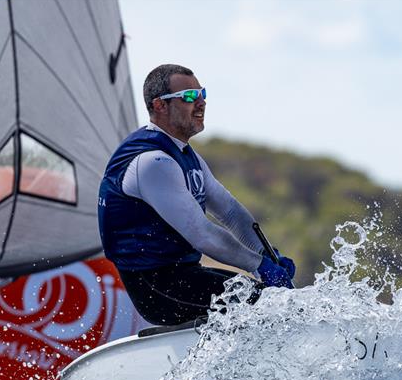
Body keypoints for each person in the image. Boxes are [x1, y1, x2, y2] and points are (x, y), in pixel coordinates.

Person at [98, 64, 294, 326]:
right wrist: (259, 265)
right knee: (265, 304)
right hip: (156, 289)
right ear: (159, 106)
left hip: (186, 274)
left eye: (202, 94)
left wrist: (267, 253)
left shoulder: (187, 156)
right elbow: (203, 234)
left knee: (271, 298)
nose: (200, 103)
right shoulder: (151, 162)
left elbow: (231, 212)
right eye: (189, 97)